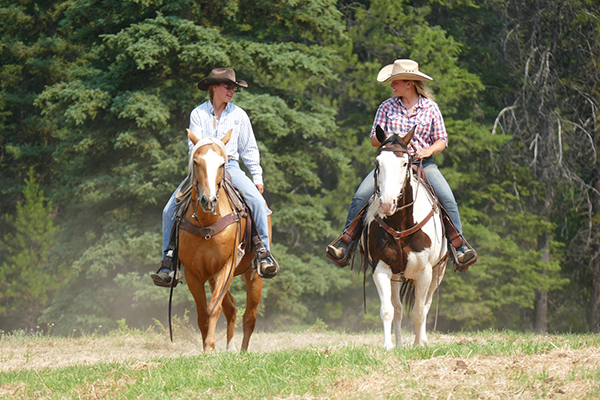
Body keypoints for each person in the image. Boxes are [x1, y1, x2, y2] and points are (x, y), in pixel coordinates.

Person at [327, 59, 476, 267]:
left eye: (395, 82)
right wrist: (389, 141)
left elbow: (442, 139)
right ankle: (346, 243)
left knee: (447, 198)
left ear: (409, 83)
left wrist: (428, 150)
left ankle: (459, 248)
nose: (391, 86)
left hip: (423, 163)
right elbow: (373, 139)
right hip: (392, 164)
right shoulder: (386, 107)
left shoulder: (430, 108)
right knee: (361, 195)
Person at [152, 68, 278, 286]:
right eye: (228, 87)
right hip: (203, 169)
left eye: (234, 88)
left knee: (257, 202)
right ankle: (169, 261)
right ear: (214, 88)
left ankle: (263, 254)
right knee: (168, 210)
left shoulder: (239, 115)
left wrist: (257, 177)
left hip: (231, 167)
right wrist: (210, 155)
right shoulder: (198, 114)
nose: (232, 91)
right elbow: (194, 146)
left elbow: (249, 149)